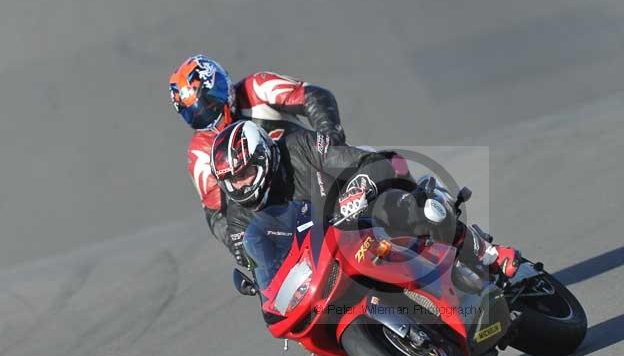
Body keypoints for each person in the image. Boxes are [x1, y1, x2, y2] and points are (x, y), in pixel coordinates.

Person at [210, 121, 521, 311]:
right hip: (323, 259)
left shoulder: (299, 147)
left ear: (264, 156)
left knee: (410, 209)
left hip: (361, 213)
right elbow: (261, 263)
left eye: (246, 172)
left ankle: (487, 254)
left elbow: (367, 161)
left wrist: (359, 186)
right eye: (232, 180)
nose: (241, 184)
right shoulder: (238, 216)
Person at [169, 54, 346, 266]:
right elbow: (217, 212)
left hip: (320, 174)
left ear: (221, 86)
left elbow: (313, 96)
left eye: (208, 102)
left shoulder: (257, 88)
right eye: (193, 113)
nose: (204, 113)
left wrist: (329, 136)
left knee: (376, 187)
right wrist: (237, 244)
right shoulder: (200, 152)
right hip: (283, 219)